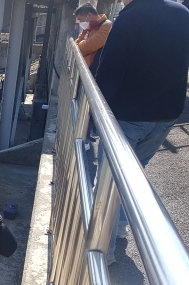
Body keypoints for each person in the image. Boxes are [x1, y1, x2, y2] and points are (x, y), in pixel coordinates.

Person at [95, 0, 189, 264]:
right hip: (167, 113)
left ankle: (104, 252)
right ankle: (122, 226)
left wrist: (98, 110)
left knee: (109, 182)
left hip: (129, 114)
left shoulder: (130, 19)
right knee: (136, 172)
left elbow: (110, 70)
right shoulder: (182, 13)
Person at [74, 3, 112, 74]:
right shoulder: (89, 28)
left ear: (89, 15)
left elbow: (90, 45)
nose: (79, 23)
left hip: (98, 72)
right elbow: (75, 45)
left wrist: (80, 45)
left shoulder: (107, 26)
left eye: (80, 20)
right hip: (88, 69)